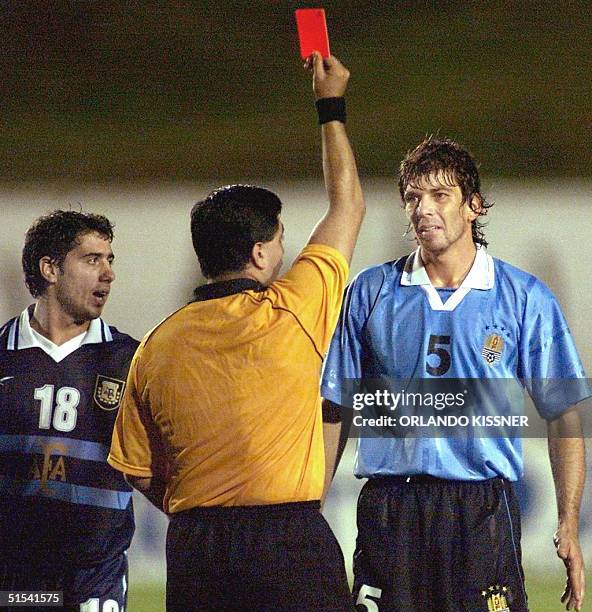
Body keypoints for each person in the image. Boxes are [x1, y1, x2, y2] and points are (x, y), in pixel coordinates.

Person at [108, 51, 365, 611]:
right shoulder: (295, 307)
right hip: (288, 541)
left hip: (197, 549)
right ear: (258, 254)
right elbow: (347, 203)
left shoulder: (157, 345)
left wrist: (198, 510)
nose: (283, 248)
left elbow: (136, 468)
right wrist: (330, 107)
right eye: (278, 239)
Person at [321, 137, 589, 612]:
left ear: (473, 207)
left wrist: (568, 521)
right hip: (391, 512)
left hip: (481, 512)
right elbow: (334, 407)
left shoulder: (523, 297)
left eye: (440, 196)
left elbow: (563, 413)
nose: (424, 209)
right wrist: (313, 503)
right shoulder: (370, 292)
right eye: (413, 198)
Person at [0, 210, 138, 611]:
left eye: (110, 260)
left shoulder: (131, 361)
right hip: (16, 577)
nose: (108, 273)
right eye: (92, 259)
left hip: (96, 575)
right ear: (50, 269)